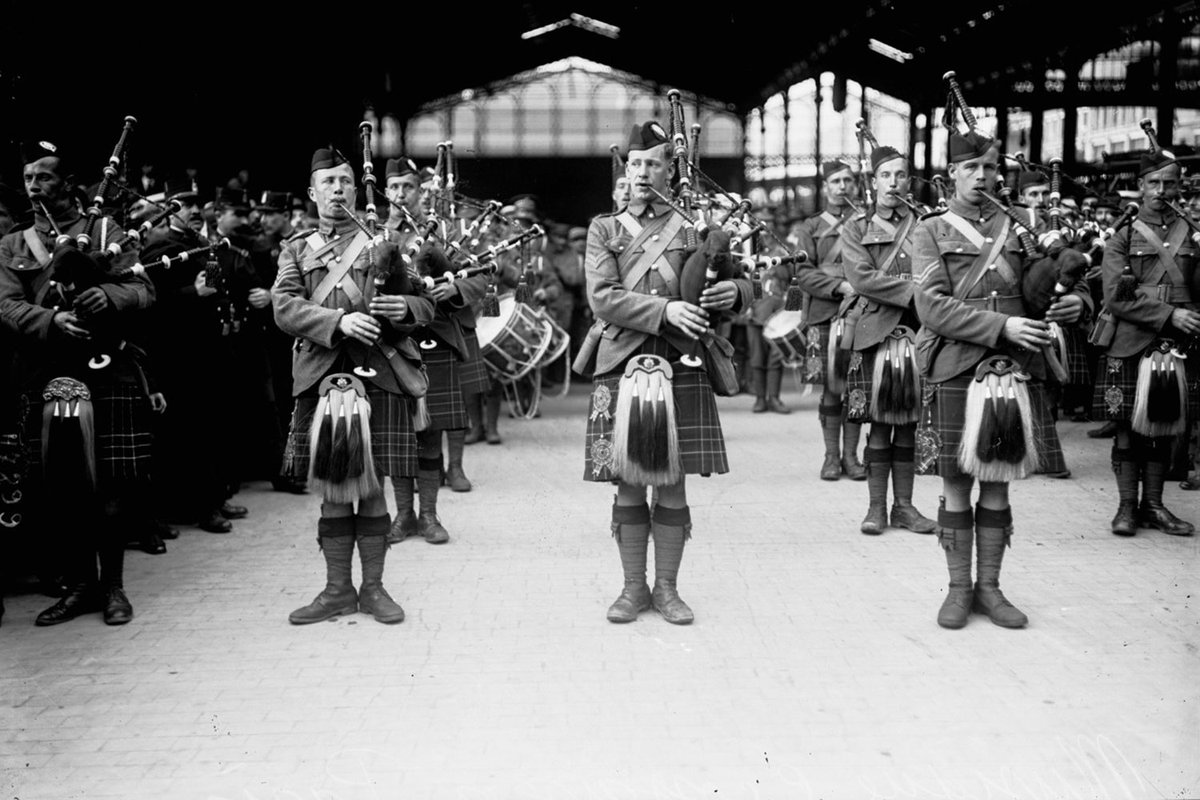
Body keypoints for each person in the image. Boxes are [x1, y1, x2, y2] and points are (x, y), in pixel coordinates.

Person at [911, 128, 1090, 630]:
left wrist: (1074, 300)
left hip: (1011, 371)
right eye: (972, 168)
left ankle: (989, 588)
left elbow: (1047, 292)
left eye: (990, 168)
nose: (983, 176)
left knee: (998, 484)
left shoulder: (1021, 228)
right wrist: (1001, 325)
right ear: (952, 175)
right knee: (954, 483)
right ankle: (958, 589)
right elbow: (932, 306)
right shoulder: (930, 230)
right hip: (955, 367)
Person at [575, 121, 752, 625]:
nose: (643, 172)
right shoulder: (603, 229)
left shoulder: (696, 224)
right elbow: (602, 297)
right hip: (622, 360)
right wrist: (666, 312)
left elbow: (745, 282)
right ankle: (632, 589)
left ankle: (668, 590)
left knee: (672, 481)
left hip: (684, 363)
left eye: (654, 163)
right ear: (624, 170)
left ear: (670, 170)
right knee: (629, 480)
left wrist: (732, 294)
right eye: (635, 164)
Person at [273, 146, 434, 625]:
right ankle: (337, 590)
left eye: (345, 180)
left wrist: (405, 311)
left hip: (379, 375)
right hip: (323, 377)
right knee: (332, 490)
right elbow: (284, 307)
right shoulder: (296, 249)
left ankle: (375, 589)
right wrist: (338, 322)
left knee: (372, 487)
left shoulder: (382, 243)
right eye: (328, 182)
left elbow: (423, 305)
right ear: (312, 192)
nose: (338, 189)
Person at [0, 140, 156, 626]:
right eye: (28, 178)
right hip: (48, 374)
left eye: (43, 177)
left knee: (111, 486)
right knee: (63, 486)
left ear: (67, 184)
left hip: (107, 368)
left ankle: (113, 588)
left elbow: (143, 289)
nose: (34, 186)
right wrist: (52, 322)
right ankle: (80, 587)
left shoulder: (105, 230)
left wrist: (107, 297)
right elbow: (5, 304)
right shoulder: (12, 244)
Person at [1091, 147, 1198, 537]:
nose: (1161, 190)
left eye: (1169, 183)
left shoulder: (1193, 231)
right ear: (1140, 186)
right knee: (1125, 428)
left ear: (1179, 185)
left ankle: (1153, 506)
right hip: (1129, 343)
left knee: (1163, 427)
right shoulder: (1123, 236)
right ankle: (1125, 508)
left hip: (1177, 345)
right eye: (1153, 183)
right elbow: (1115, 298)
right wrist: (1169, 314)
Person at [380, 156, 478, 544]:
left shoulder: (440, 232)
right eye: (395, 187)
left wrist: (454, 288)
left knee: (431, 431)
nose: (401, 194)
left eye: (408, 187)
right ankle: (403, 516)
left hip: (433, 339)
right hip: (388, 344)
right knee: (397, 432)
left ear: (420, 191)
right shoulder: (371, 231)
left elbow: (479, 276)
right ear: (385, 192)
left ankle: (430, 516)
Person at [841, 145, 935, 535]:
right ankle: (876, 509)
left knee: (910, 424)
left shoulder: (926, 223)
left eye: (900, 175)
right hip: (875, 332)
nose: (893, 183)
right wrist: (915, 292)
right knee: (879, 425)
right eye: (885, 175)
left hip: (920, 332)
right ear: (873, 181)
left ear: (909, 180)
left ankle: (906, 508)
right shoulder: (856, 227)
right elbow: (862, 278)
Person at [140, 179, 239, 533]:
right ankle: (198, 506)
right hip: (179, 355)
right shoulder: (159, 248)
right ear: (169, 209)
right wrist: (190, 293)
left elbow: (214, 288)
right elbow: (149, 301)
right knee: (188, 433)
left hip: (208, 350)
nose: (195, 210)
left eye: (199, 204)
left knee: (210, 428)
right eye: (184, 204)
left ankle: (212, 498)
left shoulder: (201, 243)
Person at [795, 161, 866, 480]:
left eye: (848, 180)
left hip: (862, 312)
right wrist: (839, 286)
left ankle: (852, 457)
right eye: (836, 181)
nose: (842, 186)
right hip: (824, 313)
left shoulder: (867, 221)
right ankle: (830, 457)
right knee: (831, 389)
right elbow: (803, 272)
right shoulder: (809, 228)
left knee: (856, 387)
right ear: (825, 187)